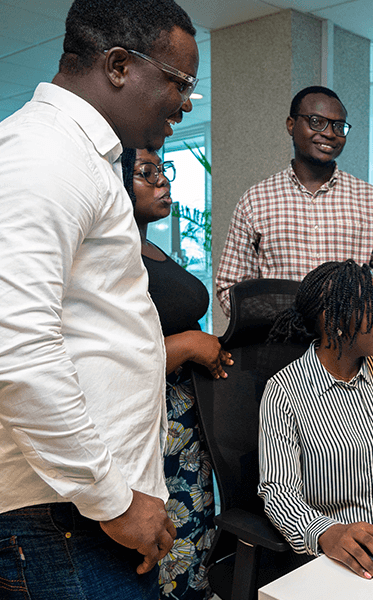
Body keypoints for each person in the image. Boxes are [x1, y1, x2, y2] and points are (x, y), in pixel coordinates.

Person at [0, 1, 199, 598]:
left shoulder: (82, 159)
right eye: (179, 80)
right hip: (52, 511)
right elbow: (15, 355)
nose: (186, 101)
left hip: (78, 502)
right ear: (118, 65)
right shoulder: (40, 155)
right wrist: (113, 499)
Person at [258, 260, 373, 580]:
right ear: (336, 320)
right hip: (342, 557)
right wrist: (327, 533)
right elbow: (279, 491)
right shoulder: (283, 392)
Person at [123, 147, 231, 599]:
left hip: (187, 417)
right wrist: (188, 345)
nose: (162, 181)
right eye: (145, 173)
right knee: (163, 540)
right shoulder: (109, 256)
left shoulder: (150, 248)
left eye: (163, 170)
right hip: (149, 424)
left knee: (195, 533)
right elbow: (114, 358)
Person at [214, 86, 373, 318]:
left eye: (338, 126)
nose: (330, 133)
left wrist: (359, 322)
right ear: (291, 125)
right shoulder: (255, 201)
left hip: (349, 350)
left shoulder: (369, 200)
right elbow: (230, 286)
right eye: (317, 121)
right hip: (279, 349)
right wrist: (276, 326)